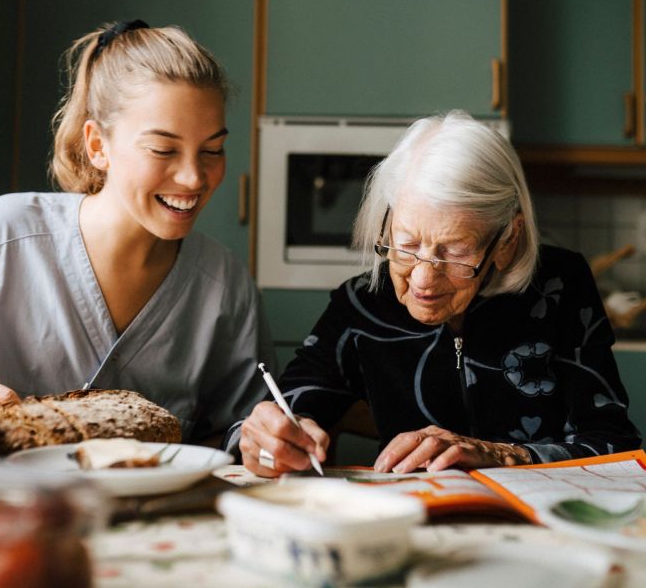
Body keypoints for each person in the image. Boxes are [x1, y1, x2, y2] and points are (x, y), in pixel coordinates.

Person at [0, 20, 274, 446]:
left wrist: (264, 440)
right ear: (97, 146)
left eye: (213, 150)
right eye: (163, 149)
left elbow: (242, 430)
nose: (193, 178)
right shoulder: (0, 237)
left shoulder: (226, 285)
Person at [240, 110, 642, 476]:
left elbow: (616, 446)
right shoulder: (363, 302)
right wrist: (267, 437)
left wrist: (504, 455)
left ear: (506, 239)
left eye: (454, 251)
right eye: (407, 244)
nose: (423, 281)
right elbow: (284, 408)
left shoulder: (561, 286)